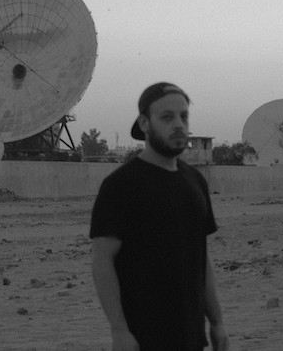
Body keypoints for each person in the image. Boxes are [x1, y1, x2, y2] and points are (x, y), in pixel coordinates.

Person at [90, 82, 229, 351]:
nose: (179, 125)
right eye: (167, 117)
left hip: (191, 336)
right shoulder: (121, 185)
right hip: (143, 338)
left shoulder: (195, 181)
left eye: (183, 116)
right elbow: (102, 262)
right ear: (144, 123)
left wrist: (217, 322)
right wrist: (119, 331)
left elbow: (201, 258)